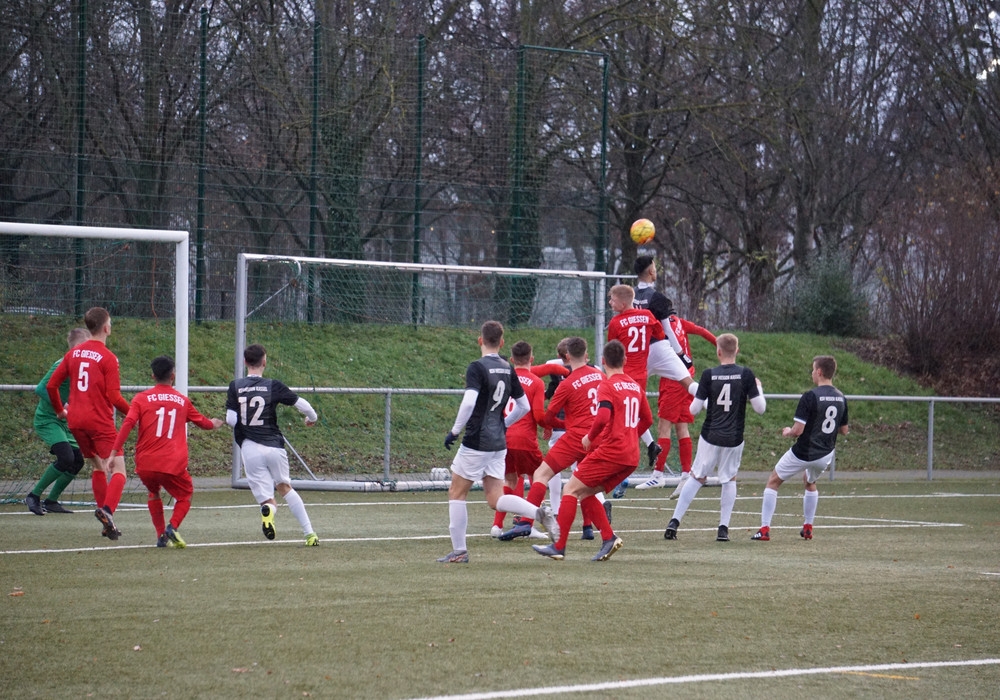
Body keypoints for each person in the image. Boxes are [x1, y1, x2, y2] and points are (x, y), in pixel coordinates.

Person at [532, 339, 653, 561]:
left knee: (570, 489)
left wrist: (590, 436)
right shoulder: (635, 386)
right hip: (631, 456)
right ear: (625, 360)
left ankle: (558, 546)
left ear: (603, 361)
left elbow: (603, 416)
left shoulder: (607, 384)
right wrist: (630, 436)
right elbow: (648, 419)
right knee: (585, 492)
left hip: (611, 451)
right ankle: (608, 538)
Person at [491, 336, 605, 541]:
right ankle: (593, 528)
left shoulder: (505, 378)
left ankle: (516, 523)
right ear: (587, 355)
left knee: (535, 476)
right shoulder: (600, 375)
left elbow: (546, 415)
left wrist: (553, 424)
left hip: (507, 435)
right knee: (581, 483)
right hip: (597, 436)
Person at [437, 321, 532, 563]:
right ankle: (539, 513)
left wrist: (454, 431)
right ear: (502, 342)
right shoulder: (507, 367)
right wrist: (504, 424)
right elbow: (524, 406)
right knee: (495, 499)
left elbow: (469, 402)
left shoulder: (477, 367)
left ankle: (459, 552)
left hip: (477, 440)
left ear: (480, 340)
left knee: (457, 492)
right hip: (498, 443)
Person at [662, 333, 766, 542]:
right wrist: (759, 388)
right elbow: (760, 408)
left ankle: (674, 522)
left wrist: (703, 395)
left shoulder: (709, 374)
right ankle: (723, 529)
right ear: (737, 351)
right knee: (729, 479)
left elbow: (693, 409)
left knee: (696, 477)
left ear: (718, 352)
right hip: (734, 437)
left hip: (710, 435)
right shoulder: (746, 374)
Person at [111, 356, 223, 547]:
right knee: (185, 494)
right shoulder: (182, 401)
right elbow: (204, 424)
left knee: (153, 492)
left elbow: (128, 423)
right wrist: (215, 423)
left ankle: (161, 536)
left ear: (153, 376)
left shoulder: (140, 399)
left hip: (145, 463)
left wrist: (113, 452)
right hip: (172, 463)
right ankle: (172, 527)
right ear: (173, 375)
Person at [46, 307, 130, 540]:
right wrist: (135, 414)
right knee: (119, 469)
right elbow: (114, 397)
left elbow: (51, 385)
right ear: (106, 328)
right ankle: (107, 511)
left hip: (75, 421)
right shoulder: (108, 357)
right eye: (110, 322)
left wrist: (60, 410)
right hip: (99, 422)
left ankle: (107, 524)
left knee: (98, 467)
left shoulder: (73, 354)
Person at [226, 343, 321, 546]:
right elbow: (302, 404)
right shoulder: (273, 385)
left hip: (250, 448)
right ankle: (310, 534)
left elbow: (230, 419)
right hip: (274, 445)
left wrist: (246, 427)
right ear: (264, 362)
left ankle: (268, 510)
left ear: (245, 362)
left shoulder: (235, 386)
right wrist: (312, 417)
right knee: (285, 487)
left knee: (267, 499)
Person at [752, 355, 849, 541]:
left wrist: (788, 432)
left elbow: (798, 430)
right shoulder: (841, 397)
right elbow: (844, 430)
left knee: (773, 481)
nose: (812, 373)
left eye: (813, 370)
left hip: (804, 451)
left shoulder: (810, 396)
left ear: (819, 372)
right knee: (809, 481)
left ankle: (764, 529)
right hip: (825, 454)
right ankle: (808, 527)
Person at [636, 303, 717, 494]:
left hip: (674, 379)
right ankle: (686, 474)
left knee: (664, 426)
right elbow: (701, 330)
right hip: (687, 373)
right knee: (682, 427)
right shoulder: (679, 322)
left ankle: (658, 475)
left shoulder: (659, 327)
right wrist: (718, 343)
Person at [24, 327, 92, 515]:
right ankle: (33, 496)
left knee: (77, 461)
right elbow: (41, 388)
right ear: (79, 347)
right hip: (48, 420)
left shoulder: (83, 366)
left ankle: (51, 501)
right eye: (88, 346)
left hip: (64, 422)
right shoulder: (62, 364)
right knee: (66, 458)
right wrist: (62, 406)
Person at [605, 284, 667, 473]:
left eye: (613, 300)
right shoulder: (647, 315)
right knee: (635, 414)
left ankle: (621, 449)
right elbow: (660, 334)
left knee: (620, 416)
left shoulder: (616, 322)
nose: (610, 303)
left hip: (622, 374)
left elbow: (611, 350)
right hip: (641, 374)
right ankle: (649, 445)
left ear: (623, 303)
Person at [491, 341, 549, 541]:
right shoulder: (536, 382)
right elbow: (539, 415)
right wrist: (550, 425)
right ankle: (527, 523)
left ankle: (497, 525)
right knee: (540, 476)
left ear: (511, 359)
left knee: (510, 480)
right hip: (524, 439)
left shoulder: (502, 379)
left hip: (502, 436)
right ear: (531, 359)